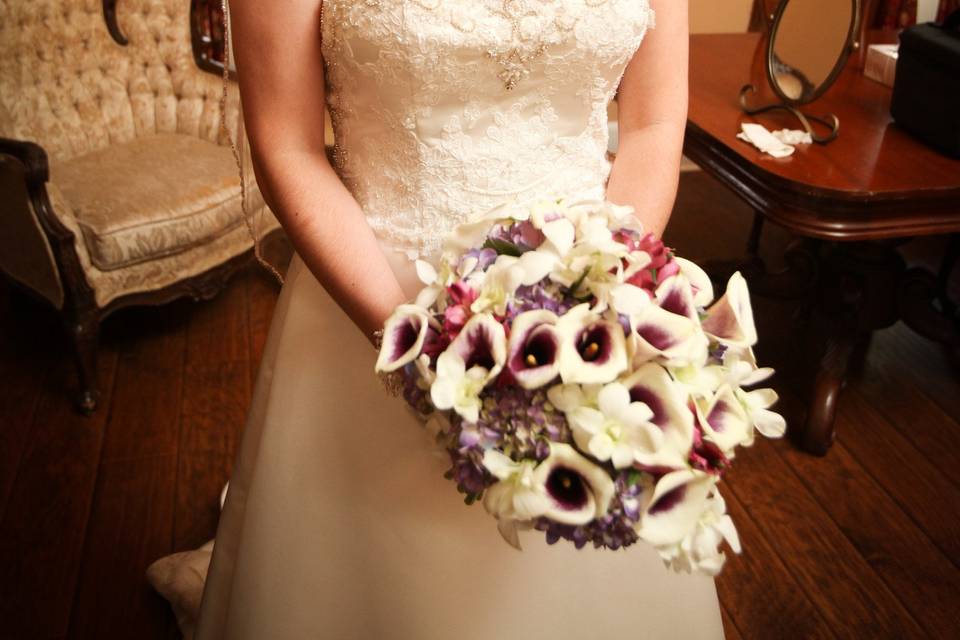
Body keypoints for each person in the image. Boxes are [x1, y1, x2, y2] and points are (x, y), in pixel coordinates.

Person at [195, 1, 724, 637]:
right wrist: (415, 344)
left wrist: (609, 289)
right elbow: (286, 142)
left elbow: (653, 123)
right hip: (375, 295)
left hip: (590, 319)